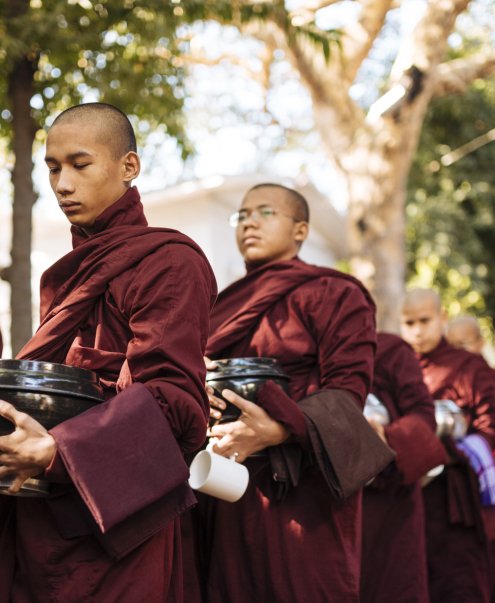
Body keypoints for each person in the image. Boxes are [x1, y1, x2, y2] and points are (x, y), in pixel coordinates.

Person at [0, 103, 217, 602]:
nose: (62, 184)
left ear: (128, 167)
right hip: (42, 508)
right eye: (52, 168)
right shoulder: (70, 271)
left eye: (80, 164)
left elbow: (174, 405)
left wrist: (59, 451)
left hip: (115, 521)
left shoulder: (168, 262)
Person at [189, 183, 394, 602]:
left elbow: (348, 389)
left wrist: (278, 429)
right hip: (227, 482)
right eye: (242, 215)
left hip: (302, 490)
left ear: (300, 230)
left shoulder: (335, 292)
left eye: (265, 213)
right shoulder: (219, 306)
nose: (249, 222)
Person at [400, 288, 495, 603]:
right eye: (409, 322)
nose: (417, 330)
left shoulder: (468, 366)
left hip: (453, 500)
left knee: (458, 586)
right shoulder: (395, 367)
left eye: (424, 320)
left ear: (441, 318)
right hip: (402, 498)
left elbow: (490, 427)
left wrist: (447, 449)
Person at [361, 332, 446, 603]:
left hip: (390, 500)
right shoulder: (311, 350)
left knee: (394, 584)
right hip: (327, 497)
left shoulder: (392, 350)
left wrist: (386, 436)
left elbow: (423, 414)